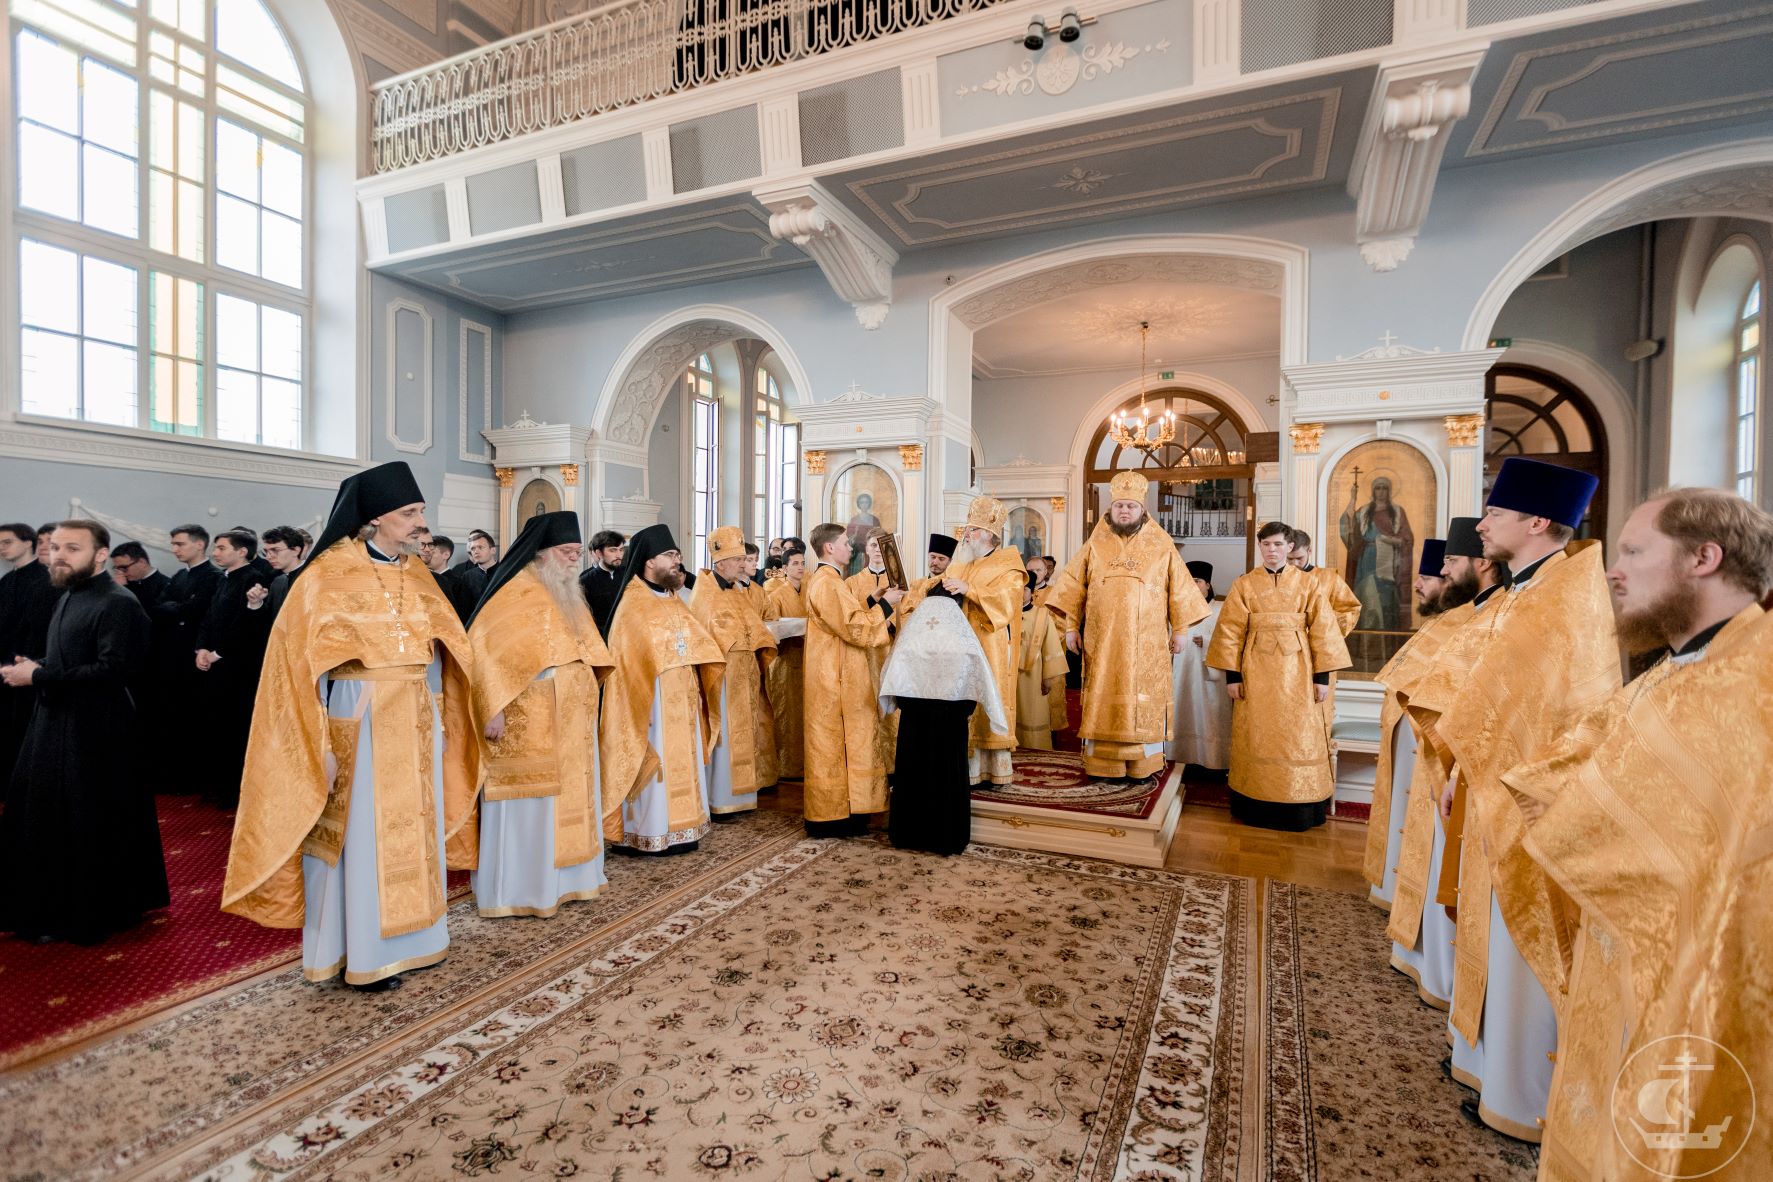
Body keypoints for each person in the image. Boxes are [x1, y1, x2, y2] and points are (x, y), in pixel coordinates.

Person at [1509, 489, 1773, 1182]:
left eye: (1631, 551)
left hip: (1698, 992)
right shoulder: (1676, 671)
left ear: (1703, 558)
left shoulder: (1757, 683)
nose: (1611, 570)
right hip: (1618, 963)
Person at [1418, 457, 1617, 1141]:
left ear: (1536, 522)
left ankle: (1522, 1093)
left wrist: (1474, 766)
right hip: (1491, 781)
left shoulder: (1565, 596)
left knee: (1517, 940)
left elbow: (1561, 709)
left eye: (1494, 514)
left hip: (1529, 797)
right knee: (1489, 928)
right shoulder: (1531, 589)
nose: (1481, 526)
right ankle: (1483, 1064)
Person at [222, 461, 477, 991]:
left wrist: (445, 714)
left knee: (415, 830)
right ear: (375, 517)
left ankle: (419, 940)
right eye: (409, 513)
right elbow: (297, 667)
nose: (419, 525)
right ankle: (363, 951)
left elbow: (445, 651)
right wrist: (318, 740)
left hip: (416, 717)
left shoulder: (417, 573)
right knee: (363, 838)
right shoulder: (325, 576)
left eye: (421, 513)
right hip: (359, 718)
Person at [0, 520, 166, 944]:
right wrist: (35, 664)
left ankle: (88, 912)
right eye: (54, 546)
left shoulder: (118, 602)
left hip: (97, 732)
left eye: (72, 548)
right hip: (56, 720)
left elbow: (115, 670)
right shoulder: (69, 595)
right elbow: (70, 656)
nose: (59, 555)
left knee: (86, 821)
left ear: (99, 555)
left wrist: (38, 677)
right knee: (43, 815)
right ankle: (44, 905)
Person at [1387, 519, 1510, 1063]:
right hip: (1448, 763)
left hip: (1478, 773)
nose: (1430, 579)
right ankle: (1433, 967)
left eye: (1445, 567)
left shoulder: (1503, 614)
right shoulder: (1474, 614)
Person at [466, 511, 614, 918]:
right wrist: (490, 706)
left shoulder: (567, 593)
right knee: (531, 804)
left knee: (569, 799)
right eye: (566, 552)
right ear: (542, 553)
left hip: (570, 718)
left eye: (577, 552)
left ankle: (571, 881)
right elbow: (484, 650)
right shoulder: (514, 592)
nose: (573, 560)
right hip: (527, 717)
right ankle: (523, 888)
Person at [1046, 471, 1208, 783]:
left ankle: (1141, 765)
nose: (1124, 511)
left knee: (1142, 697)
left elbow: (1180, 589)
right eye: (1119, 505)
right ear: (1111, 508)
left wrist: (1181, 630)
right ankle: (1102, 764)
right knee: (1103, 694)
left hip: (1146, 643)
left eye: (1130, 507)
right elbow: (1073, 587)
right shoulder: (1095, 544)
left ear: (1142, 511)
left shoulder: (1161, 544)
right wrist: (1070, 627)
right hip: (1102, 639)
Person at [1206, 520, 1351, 830]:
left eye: (1277, 544)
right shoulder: (1244, 584)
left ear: (1289, 547)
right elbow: (1230, 630)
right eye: (1266, 545)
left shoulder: (1309, 583)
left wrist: (1322, 679)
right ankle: (1254, 803)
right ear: (1260, 547)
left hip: (1299, 673)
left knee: (1298, 735)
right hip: (1255, 672)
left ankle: (1299, 808)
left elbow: (1324, 631)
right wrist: (1233, 677)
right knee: (1256, 732)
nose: (1271, 550)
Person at [598, 524, 724, 855]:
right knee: (658, 768)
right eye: (670, 555)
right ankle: (649, 832)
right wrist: (635, 707)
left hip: (682, 701)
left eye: (677, 555)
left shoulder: (673, 600)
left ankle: (683, 829)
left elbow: (698, 645)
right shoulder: (632, 604)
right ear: (649, 561)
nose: (676, 562)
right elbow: (623, 664)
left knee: (684, 762)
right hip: (651, 705)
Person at [900, 497, 1025, 786]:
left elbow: (1008, 604)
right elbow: (939, 587)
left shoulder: (1008, 565)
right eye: (967, 528)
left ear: (989, 535)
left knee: (985, 697)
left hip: (987, 642)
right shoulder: (963, 563)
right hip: (956, 645)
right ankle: (964, 769)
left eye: (972, 529)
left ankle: (992, 770)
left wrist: (970, 589)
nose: (966, 534)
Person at [879, 588, 1006, 854]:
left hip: (913, 723)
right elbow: (977, 684)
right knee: (946, 775)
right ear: (956, 607)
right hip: (950, 725)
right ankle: (946, 837)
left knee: (913, 772)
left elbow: (893, 681)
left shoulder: (910, 639)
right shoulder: (964, 642)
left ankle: (907, 834)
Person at [1362, 538, 1448, 913]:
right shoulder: (1436, 624)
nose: (1417, 585)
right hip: (1406, 742)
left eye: (1427, 578)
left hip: (1426, 746)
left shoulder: (1462, 626)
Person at [802, 522, 900, 835]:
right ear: (829, 547)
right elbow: (853, 627)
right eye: (845, 542)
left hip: (838, 671)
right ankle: (834, 815)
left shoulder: (831, 579)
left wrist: (872, 598)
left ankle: (850, 809)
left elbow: (844, 616)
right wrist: (887, 605)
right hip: (834, 678)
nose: (851, 547)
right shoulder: (827, 582)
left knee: (842, 744)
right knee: (834, 744)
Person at [690, 527, 779, 816]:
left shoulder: (737, 591)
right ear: (720, 563)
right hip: (722, 678)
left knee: (745, 732)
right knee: (725, 734)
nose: (744, 565)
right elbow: (706, 636)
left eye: (744, 559)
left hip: (745, 675)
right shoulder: (705, 593)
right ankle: (721, 799)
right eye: (738, 559)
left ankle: (742, 797)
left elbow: (753, 627)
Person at [193, 529, 274, 807]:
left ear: (241, 552)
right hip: (216, 662)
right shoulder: (224, 579)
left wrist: (218, 652)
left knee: (234, 728)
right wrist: (201, 648)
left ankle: (232, 791)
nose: (215, 553)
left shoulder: (253, 578)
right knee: (214, 723)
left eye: (221, 548)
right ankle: (216, 785)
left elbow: (245, 625)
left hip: (237, 667)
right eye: (215, 548)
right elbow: (210, 616)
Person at [148, 523, 223, 792]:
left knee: (189, 717)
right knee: (168, 714)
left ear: (199, 544)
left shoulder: (214, 577)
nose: (175, 549)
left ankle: (187, 778)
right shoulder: (180, 575)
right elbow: (158, 608)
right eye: (173, 544)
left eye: (180, 544)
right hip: (170, 656)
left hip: (193, 657)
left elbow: (195, 610)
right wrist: (177, 610)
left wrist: (176, 610)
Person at [1288, 527, 1362, 763]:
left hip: (1319, 659)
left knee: (1314, 716)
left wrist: (1324, 631)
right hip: (1285, 660)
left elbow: (1351, 609)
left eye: (1299, 558)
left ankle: (1312, 774)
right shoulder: (1276, 581)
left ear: (1309, 551)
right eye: (1289, 560)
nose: (1295, 565)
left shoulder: (1328, 578)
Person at [0, 521, 61, 803]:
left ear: (28, 543)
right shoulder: (8, 580)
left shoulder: (46, 579)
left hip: (31, 666)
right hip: (7, 665)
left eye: (6, 542)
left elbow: (37, 630)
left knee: (25, 731)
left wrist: (21, 662)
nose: (1, 548)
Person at [1167, 559, 1231, 770]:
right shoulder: (1177, 609)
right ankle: (1180, 758)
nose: (1193, 585)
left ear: (1208, 584)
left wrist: (1208, 642)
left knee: (1208, 715)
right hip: (1182, 673)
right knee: (1182, 710)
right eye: (1189, 580)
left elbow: (1232, 640)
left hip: (1208, 676)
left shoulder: (1221, 609)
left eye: (1198, 580)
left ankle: (1211, 761)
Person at [1340, 474, 1417, 630]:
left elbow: (1407, 539)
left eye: (1384, 488)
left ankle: (1388, 636)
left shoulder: (1397, 511)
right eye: (1377, 488)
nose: (1381, 491)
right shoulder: (1363, 511)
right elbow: (1349, 530)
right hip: (1366, 559)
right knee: (1367, 594)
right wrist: (1353, 499)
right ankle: (1366, 638)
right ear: (1373, 491)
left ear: (1389, 491)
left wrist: (1388, 539)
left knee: (1386, 596)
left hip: (1388, 561)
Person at [764, 549, 807, 779]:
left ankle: (804, 762)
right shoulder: (777, 595)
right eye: (795, 564)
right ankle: (785, 765)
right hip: (785, 662)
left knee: (805, 714)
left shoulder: (809, 590)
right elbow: (771, 630)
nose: (800, 567)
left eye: (802, 563)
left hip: (808, 661)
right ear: (785, 568)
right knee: (787, 714)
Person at [1015, 570, 1068, 750]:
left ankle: (1034, 748)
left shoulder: (1042, 615)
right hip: (1008, 673)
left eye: (1025, 589)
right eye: (1017, 588)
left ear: (1032, 592)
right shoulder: (1005, 614)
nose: (1021, 592)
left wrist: (1047, 678)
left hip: (1034, 674)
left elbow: (1051, 648)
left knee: (1033, 712)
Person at [247, 524, 307, 622]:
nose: (268, 557)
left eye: (275, 550)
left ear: (296, 551)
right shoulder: (278, 582)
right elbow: (270, 624)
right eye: (266, 551)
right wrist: (256, 603)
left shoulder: (313, 579)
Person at [579, 529, 626, 638]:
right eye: (613, 550)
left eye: (621, 550)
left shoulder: (630, 576)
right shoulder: (585, 581)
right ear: (599, 553)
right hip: (601, 640)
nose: (619, 555)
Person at [109, 541, 168, 608]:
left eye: (124, 568)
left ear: (142, 562)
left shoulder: (167, 586)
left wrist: (123, 589)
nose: (122, 573)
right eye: (117, 569)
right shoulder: (126, 581)